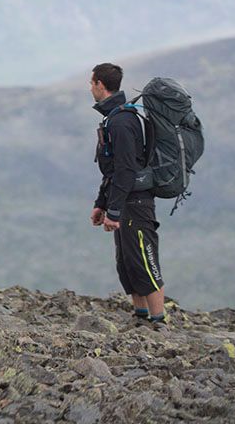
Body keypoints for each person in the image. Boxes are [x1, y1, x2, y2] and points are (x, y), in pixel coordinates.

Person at [89, 62, 166, 324]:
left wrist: (113, 210)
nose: (90, 88)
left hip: (136, 202)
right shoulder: (115, 117)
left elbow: (125, 170)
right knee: (128, 263)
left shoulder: (121, 122)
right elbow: (111, 171)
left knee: (144, 259)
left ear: (100, 84)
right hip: (125, 200)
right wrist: (102, 204)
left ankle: (159, 324)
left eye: (92, 83)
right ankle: (141, 318)